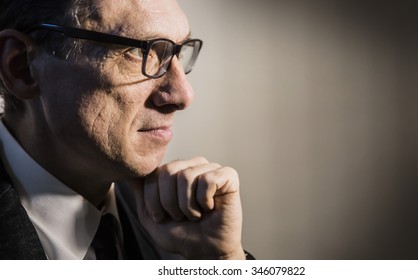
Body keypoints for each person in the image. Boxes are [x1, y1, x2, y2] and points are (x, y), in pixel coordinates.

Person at [0, 0, 249, 260]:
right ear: (22, 67)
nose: (183, 95)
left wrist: (223, 262)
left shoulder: (186, 229)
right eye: (139, 52)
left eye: (177, 51)